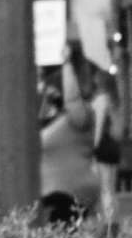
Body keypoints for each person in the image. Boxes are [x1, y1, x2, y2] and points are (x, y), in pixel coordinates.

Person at [67, 43, 123, 235]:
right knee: (112, 187)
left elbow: (98, 126)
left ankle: (107, 224)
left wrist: (93, 148)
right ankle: (114, 221)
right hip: (114, 146)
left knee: (104, 188)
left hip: (103, 146)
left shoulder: (101, 100)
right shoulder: (116, 100)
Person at [36, 88, 101, 228]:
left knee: (61, 233)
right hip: (60, 189)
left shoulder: (76, 119)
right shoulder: (58, 123)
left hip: (65, 191)